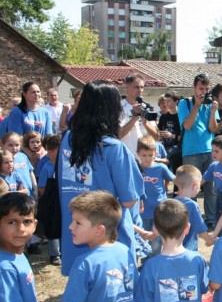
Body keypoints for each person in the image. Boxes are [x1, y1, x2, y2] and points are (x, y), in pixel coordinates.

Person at [58, 80, 144, 276]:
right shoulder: (114, 148)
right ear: (111, 110)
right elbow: (130, 199)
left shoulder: (68, 140)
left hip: (76, 233)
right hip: (110, 240)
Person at [45, 191, 139, 302]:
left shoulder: (84, 263)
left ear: (99, 230)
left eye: (77, 223)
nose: (70, 226)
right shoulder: (125, 251)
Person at [135, 199, 207, 302]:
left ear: (155, 229)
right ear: (187, 229)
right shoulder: (197, 260)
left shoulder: (151, 267)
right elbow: (202, 290)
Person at [0, 193, 43, 302]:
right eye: (12, 222)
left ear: (35, 225)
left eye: (27, 222)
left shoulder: (17, 254)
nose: (21, 229)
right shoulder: (4, 267)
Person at [178, 73, 220, 228]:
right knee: (190, 188)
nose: (203, 92)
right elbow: (187, 126)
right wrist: (196, 106)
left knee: (211, 188)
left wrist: (213, 112)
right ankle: (192, 221)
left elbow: (213, 129)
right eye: (201, 88)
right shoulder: (185, 103)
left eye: (206, 89)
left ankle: (211, 220)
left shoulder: (210, 104)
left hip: (209, 150)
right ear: (194, 88)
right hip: (191, 152)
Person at [137, 135, 174, 257]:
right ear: (138, 153)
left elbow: (174, 179)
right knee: (143, 239)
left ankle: (154, 263)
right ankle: (145, 265)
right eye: (144, 155)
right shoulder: (136, 168)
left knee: (157, 241)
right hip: (142, 211)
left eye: (150, 155)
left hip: (159, 210)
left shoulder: (160, 167)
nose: (147, 159)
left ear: (156, 153)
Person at [172, 165, 214, 250]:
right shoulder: (192, 205)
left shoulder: (172, 202)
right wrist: (209, 241)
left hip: (172, 249)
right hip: (188, 249)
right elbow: (201, 230)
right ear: (195, 186)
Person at [36, 134, 62, 265]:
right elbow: (41, 189)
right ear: (50, 152)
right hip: (52, 203)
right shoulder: (46, 168)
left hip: (63, 202)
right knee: (53, 228)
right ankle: (54, 254)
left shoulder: (66, 167)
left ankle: (64, 250)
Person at [119, 74, 159, 155]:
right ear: (127, 86)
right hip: (127, 157)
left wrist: (145, 123)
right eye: (136, 87)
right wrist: (134, 118)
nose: (140, 90)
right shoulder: (118, 108)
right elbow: (118, 135)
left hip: (145, 160)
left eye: (142, 87)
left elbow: (156, 137)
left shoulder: (146, 107)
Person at [3, 132, 37, 199]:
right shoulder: (3, 159)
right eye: (10, 145)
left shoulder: (23, 156)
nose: (14, 148)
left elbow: (30, 172)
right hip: (14, 197)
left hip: (29, 194)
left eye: (17, 145)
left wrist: (35, 188)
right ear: (3, 145)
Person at [157, 91, 182, 174]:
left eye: (169, 101)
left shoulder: (181, 116)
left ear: (176, 101)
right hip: (165, 148)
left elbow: (185, 137)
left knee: (176, 174)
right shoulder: (163, 117)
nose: (166, 103)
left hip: (178, 151)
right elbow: (159, 133)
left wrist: (172, 136)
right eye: (165, 101)